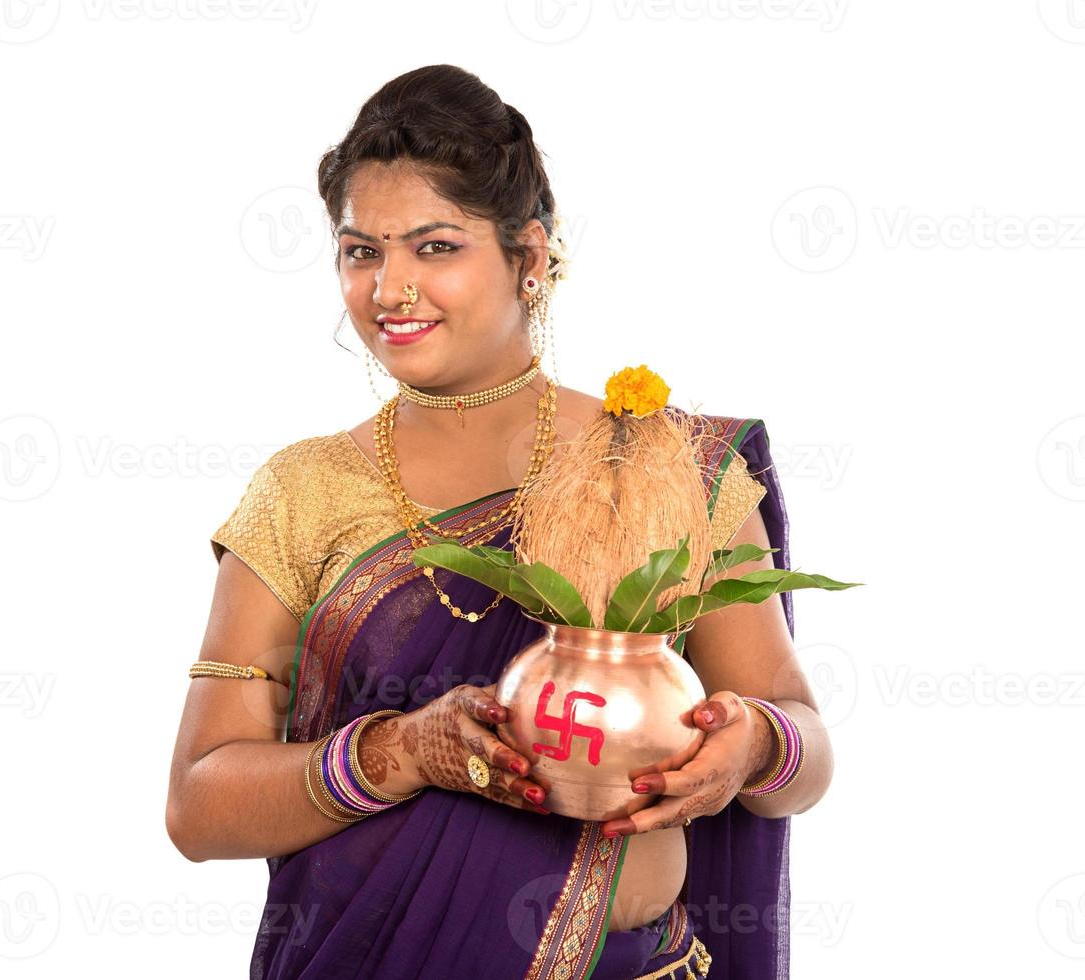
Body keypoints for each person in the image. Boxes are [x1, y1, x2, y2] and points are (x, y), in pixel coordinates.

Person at [166, 64, 833, 979]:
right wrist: (403, 750)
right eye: (362, 252)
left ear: (530, 256)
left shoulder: (663, 461)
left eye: (435, 248)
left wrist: (753, 745)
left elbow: (803, 744)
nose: (390, 289)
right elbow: (198, 807)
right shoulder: (304, 489)